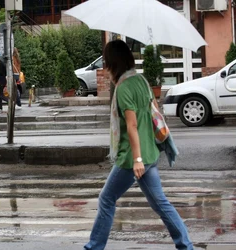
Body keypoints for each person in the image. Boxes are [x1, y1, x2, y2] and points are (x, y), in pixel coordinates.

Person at [83, 40, 194, 250]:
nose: (104, 68)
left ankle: (94, 247)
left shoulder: (124, 88)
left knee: (106, 199)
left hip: (132, 159)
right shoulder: (142, 81)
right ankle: (186, 246)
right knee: (160, 203)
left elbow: (132, 125)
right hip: (150, 153)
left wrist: (137, 160)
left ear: (113, 63)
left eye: (106, 62)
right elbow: (154, 112)